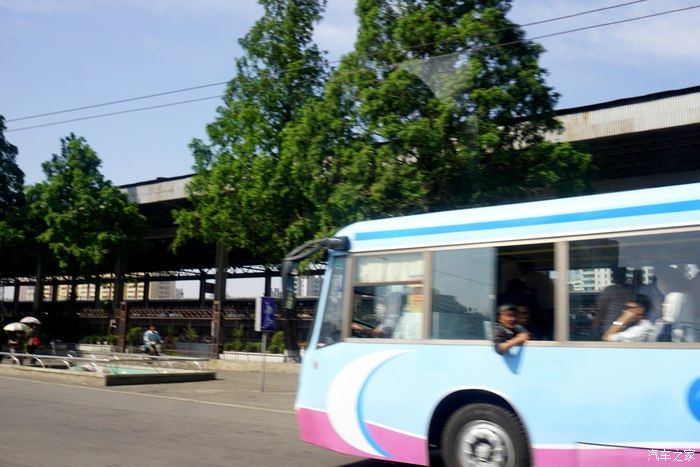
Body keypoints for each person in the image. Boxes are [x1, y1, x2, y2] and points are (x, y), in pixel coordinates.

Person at [593, 267, 635, 336]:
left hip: (609, 330)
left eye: (613, 275)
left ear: (615, 276)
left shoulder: (609, 290)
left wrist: (595, 325)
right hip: (626, 330)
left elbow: (602, 311)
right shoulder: (631, 290)